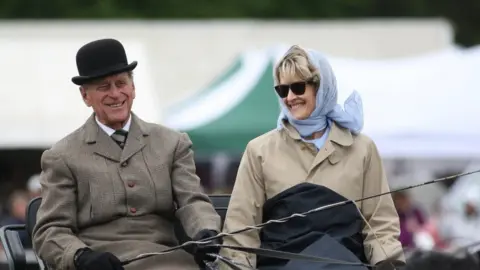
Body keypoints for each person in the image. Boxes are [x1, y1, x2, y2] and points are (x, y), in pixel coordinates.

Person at [32, 38, 222, 270]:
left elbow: (192, 200)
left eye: (121, 83)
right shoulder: (62, 156)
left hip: (168, 259)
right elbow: (49, 230)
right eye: (103, 87)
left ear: (133, 88)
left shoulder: (172, 143)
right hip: (103, 263)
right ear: (85, 96)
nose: (115, 94)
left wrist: (206, 232)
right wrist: (80, 256)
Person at [219, 45, 405, 270]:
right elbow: (241, 229)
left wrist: (388, 264)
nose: (289, 97)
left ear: (321, 86)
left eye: (298, 87)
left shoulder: (362, 149)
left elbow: (380, 225)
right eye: (282, 90)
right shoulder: (259, 150)